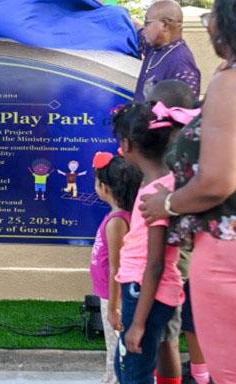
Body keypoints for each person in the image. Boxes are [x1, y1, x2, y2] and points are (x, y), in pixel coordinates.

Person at [139, 0, 236, 384]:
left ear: (231, 22)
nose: (209, 22)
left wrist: (165, 204)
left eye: (214, 13)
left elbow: (216, 181)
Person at [111, 102, 191, 384]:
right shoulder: (158, 182)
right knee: (127, 368)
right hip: (142, 290)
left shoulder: (157, 191)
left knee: (134, 373)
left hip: (144, 292)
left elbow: (155, 263)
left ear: (127, 144)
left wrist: (138, 324)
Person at [146, 81, 210, 384]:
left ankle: (199, 373)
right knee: (191, 316)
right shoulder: (196, 137)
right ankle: (201, 371)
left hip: (182, 246)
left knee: (183, 317)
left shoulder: (173, 146)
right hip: (196, 242)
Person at [90, 152, 142, 384]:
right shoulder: (119, 216)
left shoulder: (118, 222)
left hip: (114, 297)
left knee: (117, 351)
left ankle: (113, 380)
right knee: (116, 349)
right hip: (110, 294)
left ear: (105, 187)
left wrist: (113, 307)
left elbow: (116, 267)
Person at [133, 0, 201, 102]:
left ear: (164, 25)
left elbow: (184, 111)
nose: (145, 28)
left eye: (147, 23)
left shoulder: (181, 63)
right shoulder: (154, 48)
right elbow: (138, 30)